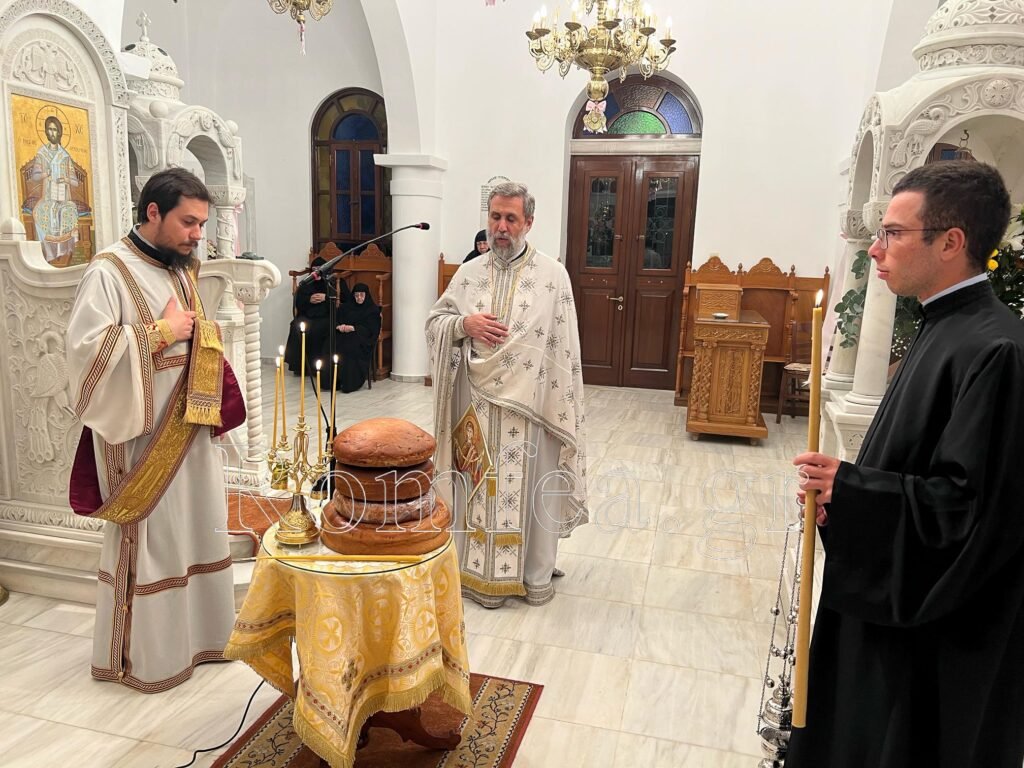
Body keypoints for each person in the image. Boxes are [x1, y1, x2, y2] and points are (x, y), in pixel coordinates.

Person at [789, 160, 1024, 768]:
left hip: (935, 635)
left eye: (893, 233)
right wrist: (845, 495)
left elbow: (969, 512)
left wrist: (854, 489)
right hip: (900, 609)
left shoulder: (993, 348)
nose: (875, 249)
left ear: (951, 242)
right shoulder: (943, 323)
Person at [66, 167, 245, 692]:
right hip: (142, 440)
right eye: (188, 223)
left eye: (202, 224)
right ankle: (148, 658)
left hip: (191, 428)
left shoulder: (179, 269)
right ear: (153, 212)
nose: (197, 235)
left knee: (196, 531)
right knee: (156, 542)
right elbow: (86, 354)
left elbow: (198, 340)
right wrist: (160, 332)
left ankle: (201, 641)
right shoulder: (109, 272)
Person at [426, 182, 588, 607]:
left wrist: (560, 409)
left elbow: (564, 349)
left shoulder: (553, 276)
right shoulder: (469, 273)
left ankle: (532, 575)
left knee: (531, 489)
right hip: (475, 410)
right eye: (495, 217)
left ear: (528, 222)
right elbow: (435, 322)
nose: (501, 227)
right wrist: (463, 326)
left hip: (531, 410)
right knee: (477, 487)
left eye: (510, 218)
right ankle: (475, 573)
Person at [29, 116, 81, 264]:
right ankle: (49, 254)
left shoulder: (65, 156)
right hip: (47, 196)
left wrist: (66, 179)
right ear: (46, 132)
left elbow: (75, 182)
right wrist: (46, 174)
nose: (52, 133)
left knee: (68, 210)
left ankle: (64, 253)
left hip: (63, 197)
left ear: (59, 132)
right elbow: (35, 176)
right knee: (44, 211)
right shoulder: (42, 154)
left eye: (55, 129)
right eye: (50, 129)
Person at [284, 256, 332, 376]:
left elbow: (341, 301)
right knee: (296, 326)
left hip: (325, 316)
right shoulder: (306, 284)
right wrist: (309, 299)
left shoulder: (331, 282)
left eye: (319, 269)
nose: (316, 272)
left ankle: (318, 367)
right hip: (308, 315)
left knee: (320, 328)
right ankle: (300, 367)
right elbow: (298, 301)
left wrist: (326, 298)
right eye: (314, 269)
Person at [333, 281, 381, 392]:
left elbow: (372, 330)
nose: (359, 298)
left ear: (366, 295)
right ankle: (334, 382)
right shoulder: (346, 307)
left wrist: (354, 328)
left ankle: (350, 383)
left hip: (362, 339)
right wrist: (340, 326)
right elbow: (337, 319)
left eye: (362, 295)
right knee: (331, 344)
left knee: (350, 348)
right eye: (356, 295)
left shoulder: (372, 310)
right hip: (344, 335)